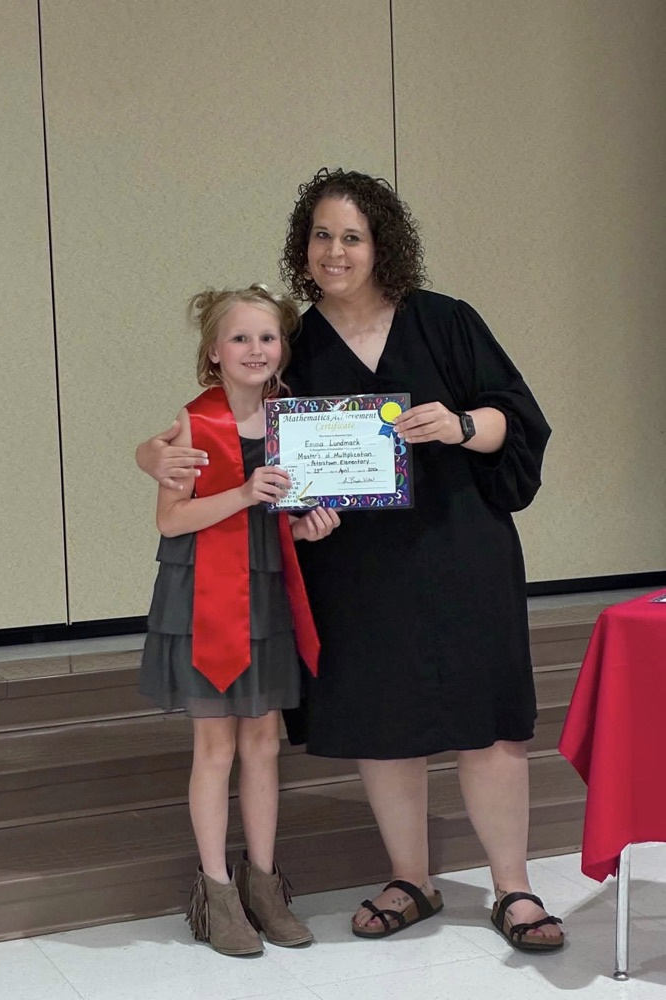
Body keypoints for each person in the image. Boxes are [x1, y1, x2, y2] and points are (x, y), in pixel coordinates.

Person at [136, 170, 564, 953]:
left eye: (353, 236)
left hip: (462, 547)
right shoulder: (292, 344)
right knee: (382, 721)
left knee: (491, 723)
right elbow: (225, 425)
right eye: (323, 236)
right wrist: (163, 462)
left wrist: (462, 424)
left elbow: (520, 422)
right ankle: (412, 878)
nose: (336, 251)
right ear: (306, 247)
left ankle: (515, 887)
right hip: (357, 563)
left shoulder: (445, 321)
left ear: (383, 245)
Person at [139, 284, 340, 956]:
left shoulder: (296, 421)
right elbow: (172, 520)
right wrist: (243, 493)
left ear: (283, 348)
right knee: (216, 748)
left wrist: (310, 526)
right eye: (240, 338)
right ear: (214, 353)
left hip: (268, 593)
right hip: (204, 598)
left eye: (268, 337)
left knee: (264, 743)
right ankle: (216, 891)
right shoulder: (194, 423)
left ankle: (263, 884)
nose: (255, 350)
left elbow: (289, 518)